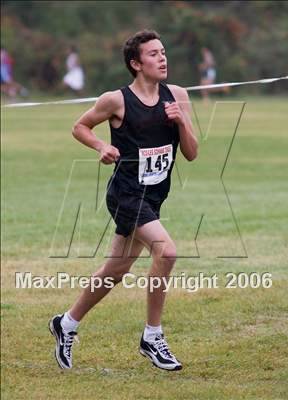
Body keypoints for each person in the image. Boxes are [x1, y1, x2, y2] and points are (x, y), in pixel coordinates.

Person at [49, 30, 198, 372]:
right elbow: (80, 126)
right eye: (153, 54)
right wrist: (102, 147)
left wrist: (182, 121)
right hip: (126, 195)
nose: (162, 58)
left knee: (114, 271)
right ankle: (152, 336)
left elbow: (191, 153)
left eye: (163, 52)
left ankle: (66, 323)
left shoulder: (177, 95)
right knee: (167, 251)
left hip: (155, 195)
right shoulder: (115, 100)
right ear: (136, 64)